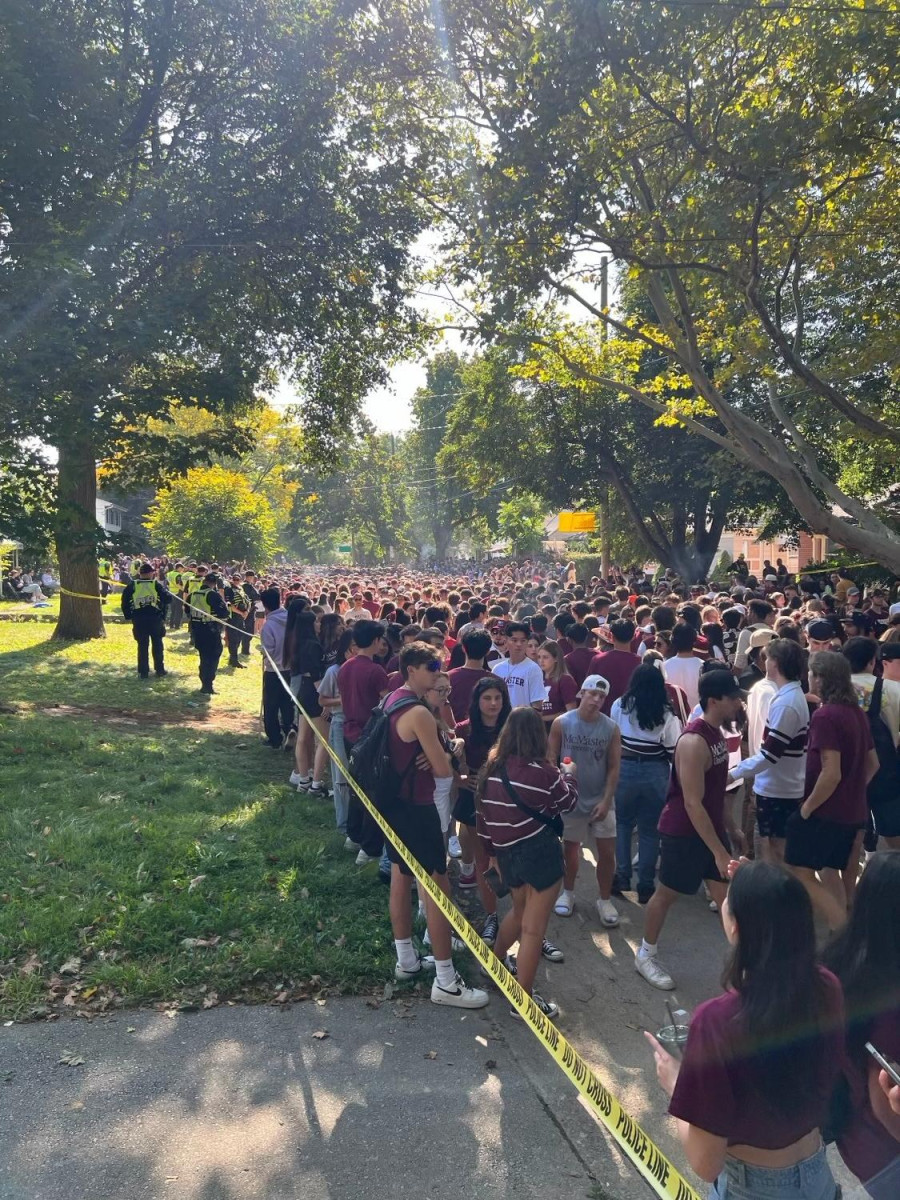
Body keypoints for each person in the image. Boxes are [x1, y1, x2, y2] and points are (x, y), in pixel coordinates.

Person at [646, 861, 845, 1200]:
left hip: (751, 1187)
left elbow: (705, 1163)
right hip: (817, 1177)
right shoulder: (826, 987)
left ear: (735, 927)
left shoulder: (716, 1021)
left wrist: (676, 1085)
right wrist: (763, 882)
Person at [385, 642, 489, 1010]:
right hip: (419, 809)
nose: (436, 671)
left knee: (401, 879)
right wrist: (444, 755)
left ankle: (406, 961)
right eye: (431, 666)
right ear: (411, 669)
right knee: (438, 892)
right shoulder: (419, 713)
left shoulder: (392, 700)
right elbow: (445, 770)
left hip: (395, 807)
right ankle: (446, 981)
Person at [635, 670, 745, 990]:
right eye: (733, 697)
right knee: (666, 894)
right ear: (714, 701)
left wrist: (731, 828)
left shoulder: (717, 734)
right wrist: (719, 849)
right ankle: (645, 955)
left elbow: (715, 792)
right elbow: (693, 803)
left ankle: (747, 965)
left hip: (708, 831)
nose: (739, 702)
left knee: (728, 897)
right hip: (683, 832)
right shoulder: (695, 741)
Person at [477, 706, 579, 1020]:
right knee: (534, 931)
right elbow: (568, 803)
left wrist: (492, 852)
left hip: (507, 854)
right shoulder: (544, 772)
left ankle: (494, 966)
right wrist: (569, 775)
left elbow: (483, 818)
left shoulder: (490, 771)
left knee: (519, 912)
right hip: (540, 854)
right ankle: (523, 1000)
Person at [823, 852, 900, 1199]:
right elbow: (883, 1097)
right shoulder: (888, 998)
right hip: (886, 1150)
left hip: (849, 1131)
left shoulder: (837, 958)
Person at [784, 652, 879, 930]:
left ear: (822, 678)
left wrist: (806, 809)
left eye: (812, 673)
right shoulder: (856, 714)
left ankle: (841, 933)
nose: (808, 678)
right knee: (830, 870)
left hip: (825, 812)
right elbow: (874, 764)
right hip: (852, 810)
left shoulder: (826, 715)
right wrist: (852, 789)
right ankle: (842, 929)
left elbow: (831, 772)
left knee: (800, 870)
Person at [547, 674, 622, 927]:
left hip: (601, 799)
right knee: (570, 850)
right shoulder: (562, 723)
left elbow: (613, 767)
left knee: (607, 853)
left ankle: (604, 899)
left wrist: (606, 799)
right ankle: (568, 893)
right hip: (571, 798)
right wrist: (558, 790)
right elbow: (551, 758)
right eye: (592, 694)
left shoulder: (610, 727)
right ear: (582, 693)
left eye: (602, 696)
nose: (596, 700)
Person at [730, 639, 809, 865]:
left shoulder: (786, 702)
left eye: (769, 657)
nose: (765, 661)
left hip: (780, 789)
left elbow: (770, 754)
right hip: (779, 786)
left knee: (777, 852)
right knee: (771, 849)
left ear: (777, 663)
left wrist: (734, 773)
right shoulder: (787, 696)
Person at [609, 663, 682, 903]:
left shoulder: (619, 705)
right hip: (655, 772)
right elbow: (673, 750)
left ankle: (621, 877)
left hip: (625, 768)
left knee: (622, 824)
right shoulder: (667, 713)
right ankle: (646, 885)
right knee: (650, 831)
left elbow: (614, 738)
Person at [454, 677, 511, 940]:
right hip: (475, 802)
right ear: (477, 701)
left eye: (498, 698)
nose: (493, 703)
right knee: (484, 860)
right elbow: (451, 768)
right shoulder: (464, 730)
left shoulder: (512, 728)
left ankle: (521, 915)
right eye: (487, 698)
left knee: (510, 859)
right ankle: (492, 916)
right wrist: (463, 777)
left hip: (507, 801)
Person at [338, 620, 391, 865]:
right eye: (381, 639)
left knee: (357, 787)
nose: (384, 644)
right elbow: (386, 704)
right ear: (375, 641)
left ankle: (353, 835)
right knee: (373, 791)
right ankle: (369, 848)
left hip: (348, 732)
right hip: (370, 737)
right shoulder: (376, 671)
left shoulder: (346, 667)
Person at [317, 629, 356, 845]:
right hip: (340, 723)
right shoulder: (334, 671)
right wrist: (342, 701)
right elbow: (322, 700)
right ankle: (343, 824)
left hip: (361, 726)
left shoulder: (365, 670)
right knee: (341, 777)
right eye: (353, 647)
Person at [120, 562, 170, 679]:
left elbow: (124, 601)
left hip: (139, 618)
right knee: (157, 644)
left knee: (142, 645)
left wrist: (129, 615)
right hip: (154, 618)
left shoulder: (133, 585)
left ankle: (143, 672)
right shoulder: (156, 585)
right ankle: (159, 670)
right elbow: (167, 599)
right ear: (150, 573)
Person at [259, 586, 293, 748]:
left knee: (271, 705)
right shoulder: (291, 619)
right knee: (287, 702)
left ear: (265, 606)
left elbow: (269, 652)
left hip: (274, 671)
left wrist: (263, 652)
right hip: (291, 669)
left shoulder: (268, 626)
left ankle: (274, 738)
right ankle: (289, 730)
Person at [586, 618, 641, 715]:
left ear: (611, 636)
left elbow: (588, 690)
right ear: (633, 636)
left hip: (602, 717)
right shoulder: (640, 663)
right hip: (631, 718)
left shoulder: (598, 660)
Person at [187, 572, 230, 695]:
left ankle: (204, 682)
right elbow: (224, 613)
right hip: (211, 631)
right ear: (214, 584)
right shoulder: (213, 595)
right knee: (213, 656)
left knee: (203, 656)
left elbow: (187, 610)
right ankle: (208, 684)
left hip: (197, 630)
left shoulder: (193, 594)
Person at [490, 621, 546, 709]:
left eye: (523, 640)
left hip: (523, 721)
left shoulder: (533, 669)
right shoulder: (497, 669)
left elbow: (537, 704)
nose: (519, 644)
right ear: (506, 640)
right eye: (514, 640)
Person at [447, 629, 492, 721]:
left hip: (454, 732)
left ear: (463, 648)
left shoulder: (448, 678)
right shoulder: (495, 681)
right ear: (488, 651)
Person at [662, 623, 703, 710]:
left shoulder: (664, 666)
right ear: (694, 641)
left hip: (674, 717)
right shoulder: (703, 666)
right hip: (698, 717)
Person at [537, 640, 578, 725]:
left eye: (545, 657)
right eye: (539, 657)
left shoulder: (565, 680)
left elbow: (571, 712)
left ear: (556, 658)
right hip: (539, 729)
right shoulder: (537, 679)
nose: (541, 661)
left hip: (558, 728)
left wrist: (543, 718)